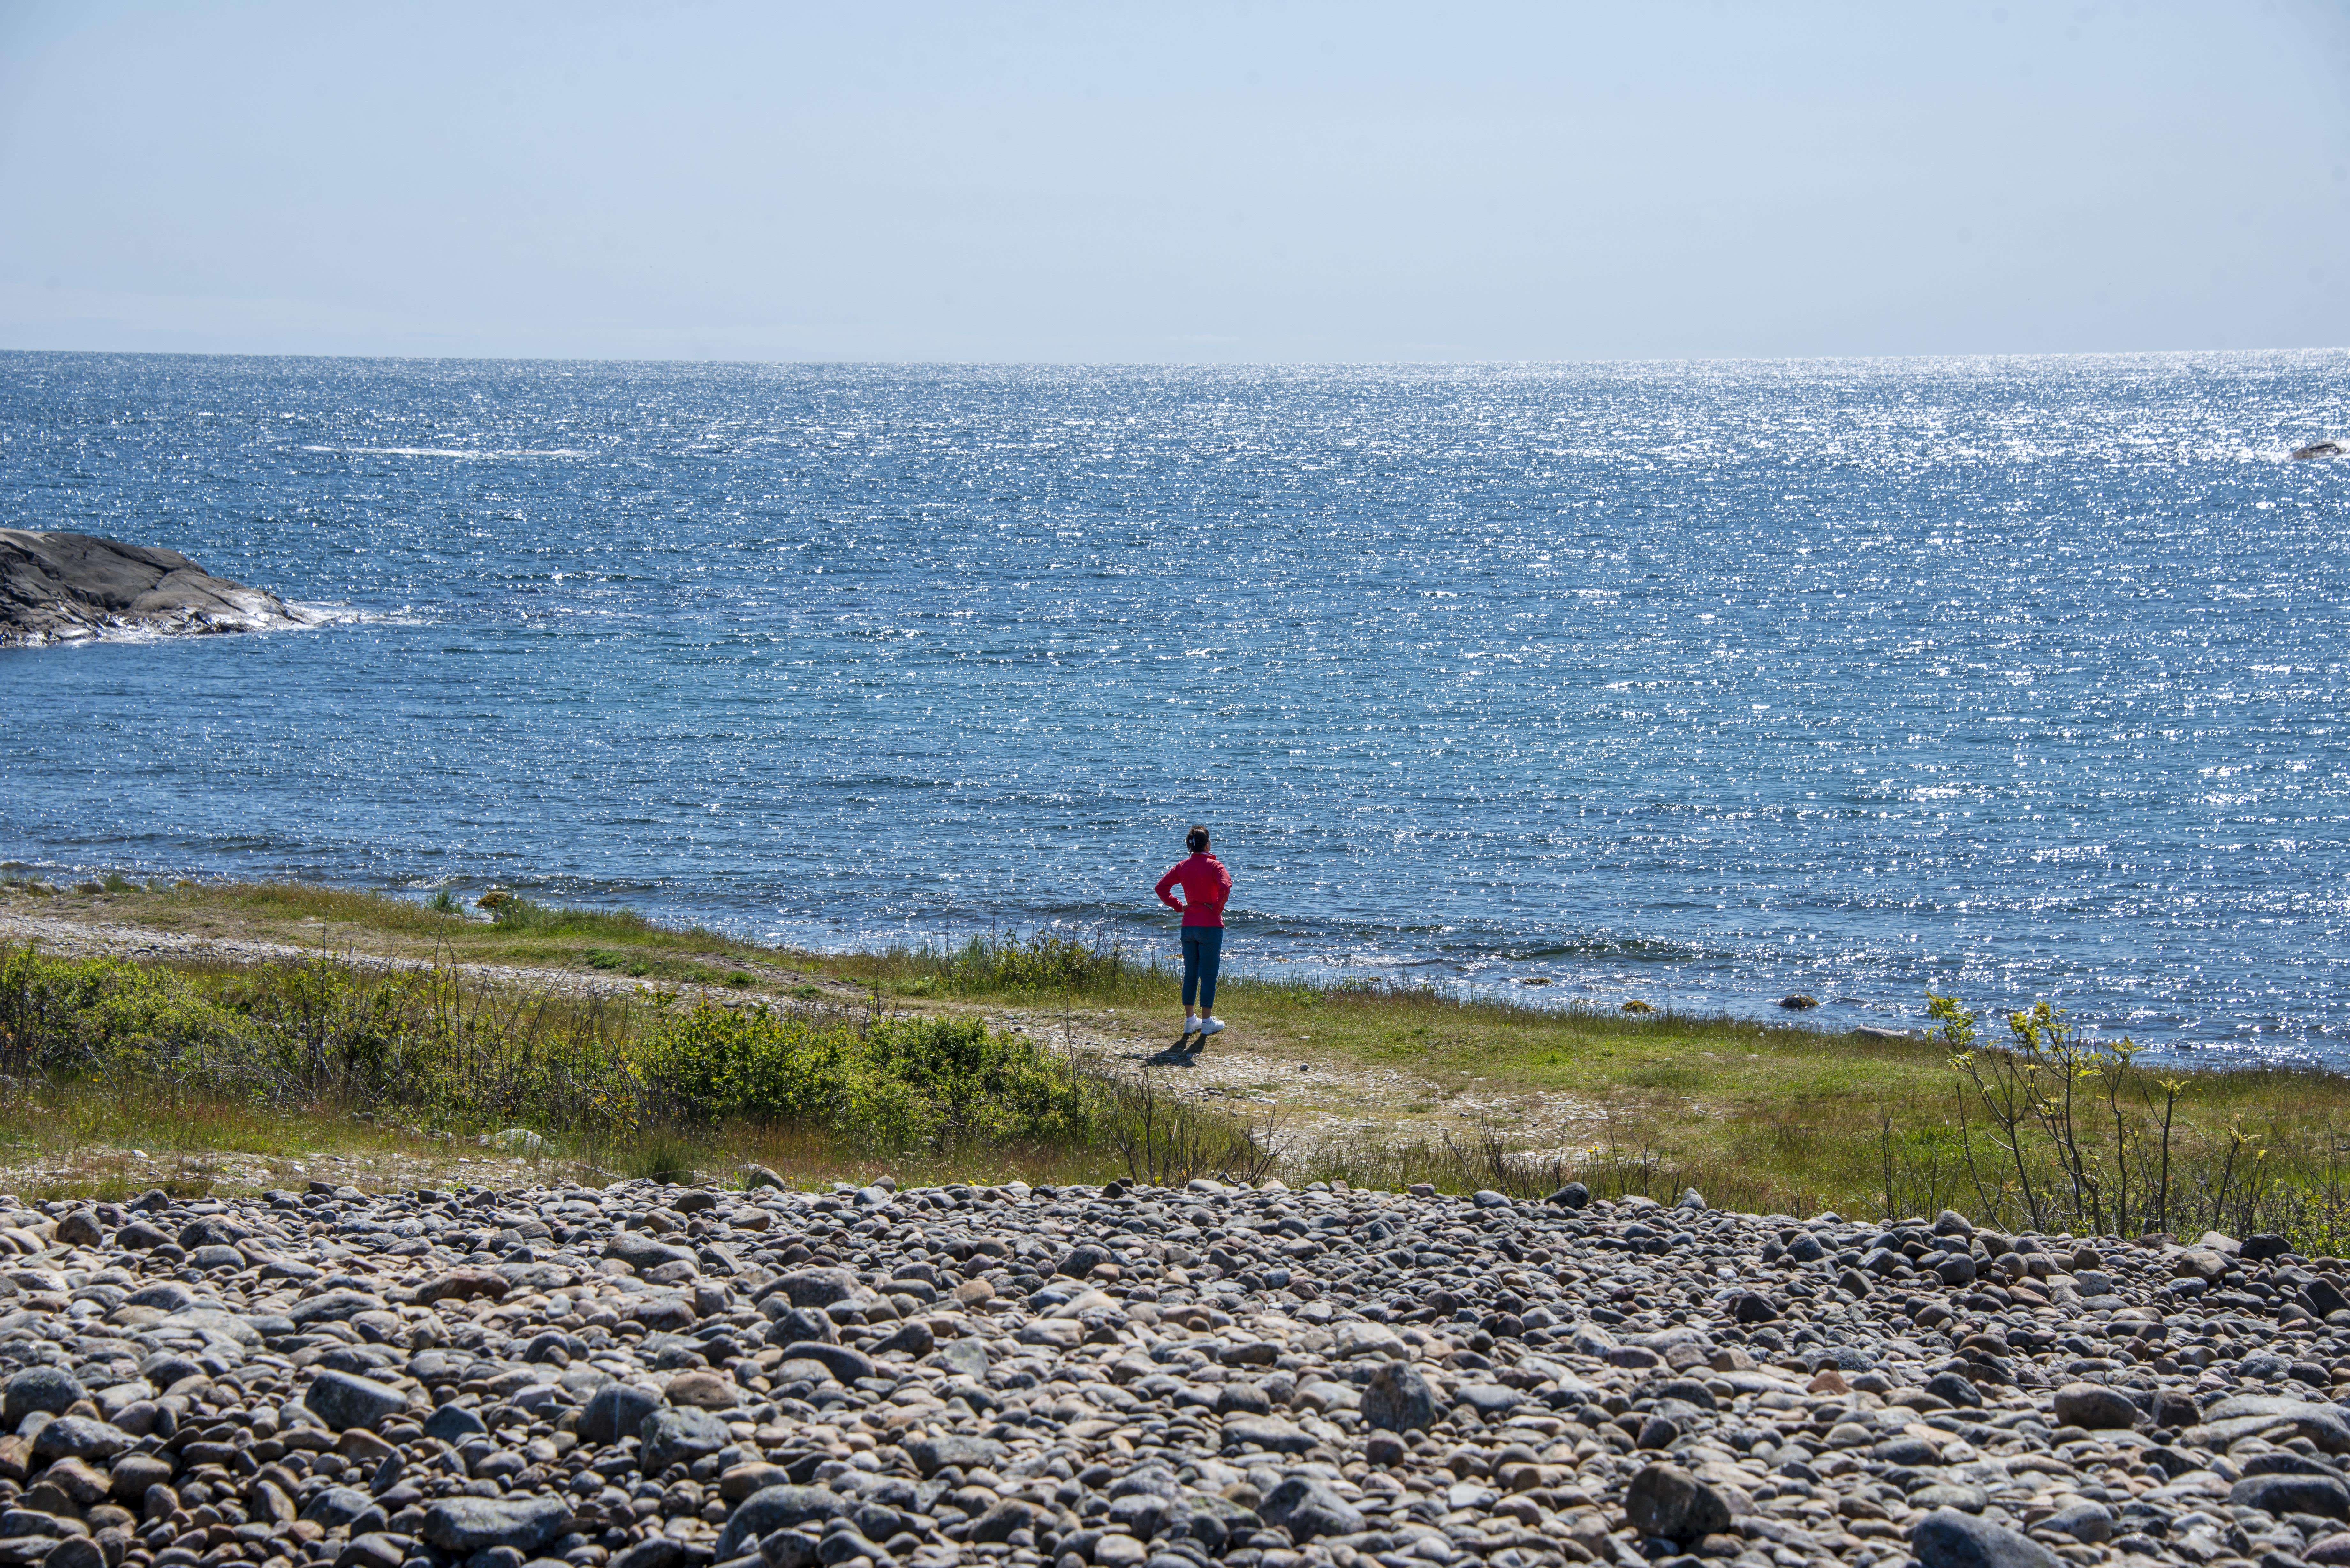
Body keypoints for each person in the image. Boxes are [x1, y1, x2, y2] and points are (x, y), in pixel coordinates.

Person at [1155, 824, 1232, 1039]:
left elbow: (1161, 888)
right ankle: (1207, 1022)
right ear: (1207, 844)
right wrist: (1217, 908)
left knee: (1191, 974)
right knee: (1208, 976)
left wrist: (1180, 906)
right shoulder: (1215, 865)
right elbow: (1226, 886)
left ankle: (1191, 1021)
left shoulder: (1183, 866)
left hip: (1188, 926)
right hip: (1210, 927)